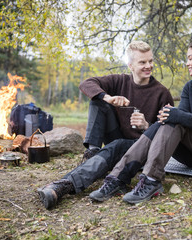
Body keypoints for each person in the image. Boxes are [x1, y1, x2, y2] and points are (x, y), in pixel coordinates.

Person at [89, 39, 192, 204]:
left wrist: (175, 114)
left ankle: (151, 180)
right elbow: (178, 121)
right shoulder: (190, 87)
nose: (187, 63)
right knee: (165, 121)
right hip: (191, 156)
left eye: (190, 58)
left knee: (173, 118)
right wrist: (171, 116)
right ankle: (118, 178)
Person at [37, 41, 174, 209]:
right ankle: (92, 153)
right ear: (130, 65)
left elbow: (167, 134)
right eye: (142, 62)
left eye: (150, 61)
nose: (149, 66)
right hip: (116, 139)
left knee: (116, 146)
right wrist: (109, 98)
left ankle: (62, 186)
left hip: (141, 149)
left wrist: (147, 125)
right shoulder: (120, 81)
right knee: (98, 101)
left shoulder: (162, 93)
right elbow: (86, 84)